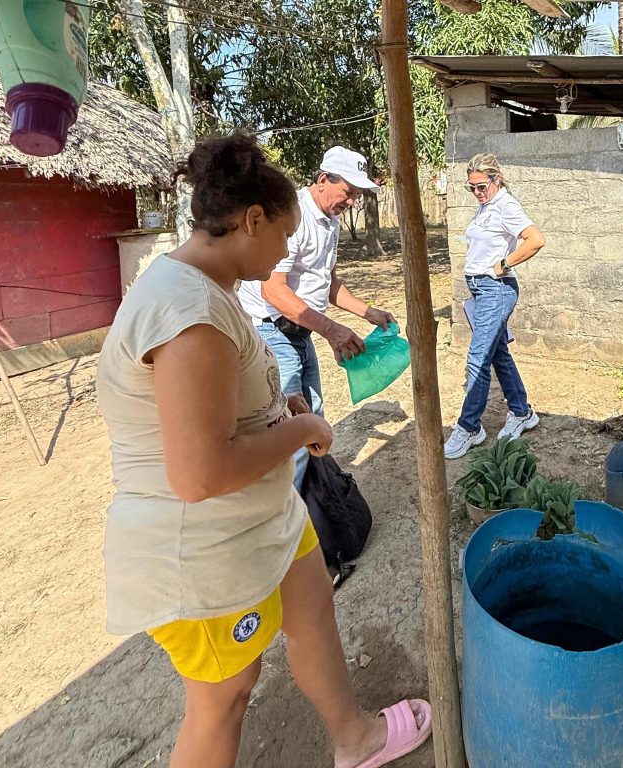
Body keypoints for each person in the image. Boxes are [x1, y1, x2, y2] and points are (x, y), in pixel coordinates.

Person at [96, 135, 431, 768]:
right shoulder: (186, 309)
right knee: (226, 696)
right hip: (202, 546)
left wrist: (281, 412)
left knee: (311, 606)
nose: (284, 251)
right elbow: (201, 472)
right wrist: (300, 434)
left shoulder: (208, 291)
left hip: (260, 520)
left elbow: (224, 406)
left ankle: (353, 737)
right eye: (281, 235)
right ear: (252, 219)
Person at [238, 145, 396, 490]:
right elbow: (274, 291)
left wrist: (368, 312)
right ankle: (288, 523)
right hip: (272, 332)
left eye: (355, 195)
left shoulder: (331, 221)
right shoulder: (292, 216)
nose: (351, 201)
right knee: (289, 434)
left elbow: (327, 282)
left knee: (313, 420)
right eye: (348, 192)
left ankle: (313, 505)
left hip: (300, 332)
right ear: (324, 179)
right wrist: (331, 330)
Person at [443, 153, 546, 460]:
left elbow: (535, 239)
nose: (476, 192)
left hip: (496, 289)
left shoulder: (506, 206)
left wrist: (502, 265)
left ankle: (469, 428)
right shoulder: (487, 207)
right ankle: (522, 412)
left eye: (481, 186)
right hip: (481, 289)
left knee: (478, 359)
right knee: (498, 354)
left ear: (496, 179)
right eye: (471, 187)